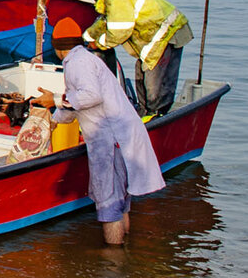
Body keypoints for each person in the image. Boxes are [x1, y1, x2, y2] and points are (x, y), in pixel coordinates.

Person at [34, 18, 164, 245]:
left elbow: (90, 96)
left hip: (111, 141)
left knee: (109, 203)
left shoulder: (77, 64)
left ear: (57, 47)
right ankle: (124, 254)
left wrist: (53, 99)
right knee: (121, 203)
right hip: (120, 138)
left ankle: (112, 261)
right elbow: (75, 103)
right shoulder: (84, 59)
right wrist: (52, 120)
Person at [75, 0, 193, 117]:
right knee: (141, 76)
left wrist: (98, 44)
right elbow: (105, 22)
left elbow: (120, 31)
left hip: (168, 33)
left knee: (155, 85)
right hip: (153, 39)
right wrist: (86, 38)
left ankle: (157, 116)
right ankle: (144, 113)